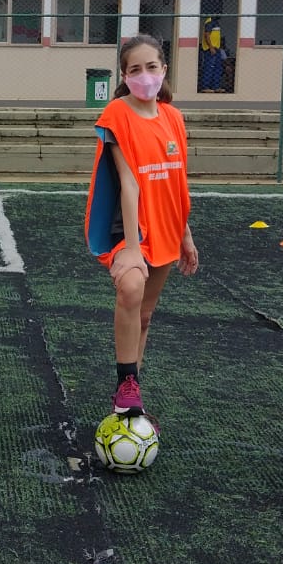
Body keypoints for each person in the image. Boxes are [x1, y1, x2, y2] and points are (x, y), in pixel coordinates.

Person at [84, 34, 199, 421]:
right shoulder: (117, 113)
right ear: (124, 74)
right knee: (131, 288)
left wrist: (185, 235)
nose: (145, 75)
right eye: (135, 69)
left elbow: (178, 179)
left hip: (167, 229)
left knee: (146, 316)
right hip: (130, 231)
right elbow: (129, 182)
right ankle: (125, 383)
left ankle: (133, 395)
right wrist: (132, 248)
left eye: (152, 67)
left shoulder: (174, 117)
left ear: (164, 70)